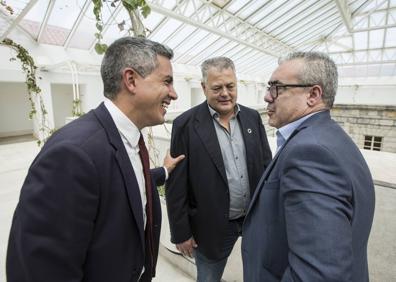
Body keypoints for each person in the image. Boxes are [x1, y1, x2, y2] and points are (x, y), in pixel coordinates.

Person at [6, 37, 185, 282]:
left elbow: (123, 182)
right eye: (167, 82)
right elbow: (39, 271)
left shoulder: (128, 137)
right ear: (131, 80)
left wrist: (163, 172)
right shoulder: (72, 154)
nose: (174, 94)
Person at [242, 51, 375, 281]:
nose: (266, 96)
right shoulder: (328, 138)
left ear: (313, 94)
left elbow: (318, 274)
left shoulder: (310, 154)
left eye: (277, 87)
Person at [165, 56, 272, 281]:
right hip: (211, 227)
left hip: (253, 220)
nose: (225, 93)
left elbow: (265, 167)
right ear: (204, 88)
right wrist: (181, 232)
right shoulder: (185, 125)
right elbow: (176, 185)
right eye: (217, 87)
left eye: (230, 86)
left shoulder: (252, 118)